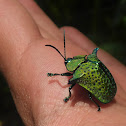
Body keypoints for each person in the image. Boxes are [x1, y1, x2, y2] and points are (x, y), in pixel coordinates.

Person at [0, 0, 126, 126]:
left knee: (81, 90)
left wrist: (55, 77)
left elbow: (70, 81)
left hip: (106, 95)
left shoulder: (79, 74)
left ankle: (97, 104)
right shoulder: (88, 59)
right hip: (110, 86)